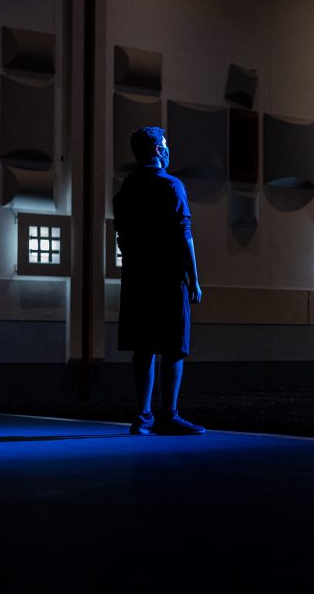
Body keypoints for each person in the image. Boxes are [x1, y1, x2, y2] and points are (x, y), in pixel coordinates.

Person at [113, 126, 205, 435]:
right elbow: (184, 234)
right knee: (174, 347)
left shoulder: (125, 190)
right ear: (156, 151)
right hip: (168, 277)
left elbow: (122, 240)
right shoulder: (172, 185)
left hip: (137, 278)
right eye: (164, 145)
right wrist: (194, 279)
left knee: (143, 347)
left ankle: (142, 417)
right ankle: (169, 415)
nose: (168, 150)